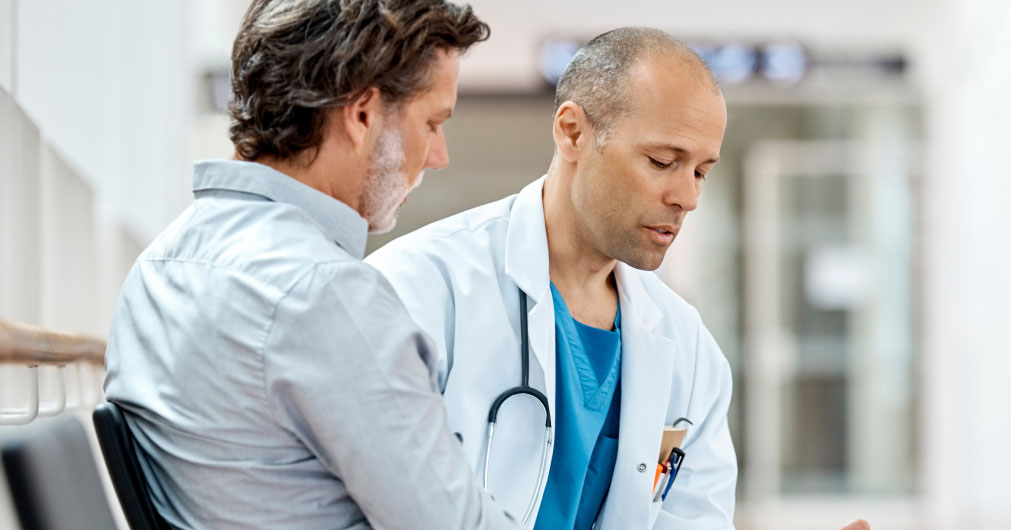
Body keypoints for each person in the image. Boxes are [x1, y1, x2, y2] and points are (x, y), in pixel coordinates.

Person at [103, 1, 520, 528]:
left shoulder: (159, 264)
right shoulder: (323, 292)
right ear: (363, 114)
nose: (438, 156)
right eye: (433, 123)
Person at [368, 27, 733, 529]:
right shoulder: (421, 289)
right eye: (663, 162)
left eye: (700, 172)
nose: (687, 198)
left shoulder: (688, 347)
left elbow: (695, 518)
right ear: (572, 132)